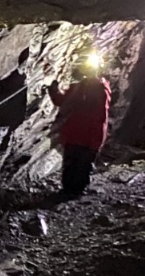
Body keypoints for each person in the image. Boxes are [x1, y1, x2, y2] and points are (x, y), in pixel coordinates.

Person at [47, 55, 111, 198]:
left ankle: (74, 192)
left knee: (81, 165)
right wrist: (53, 90)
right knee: (72, 164)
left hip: (87, 134)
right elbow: (63, 101)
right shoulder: (83, 87)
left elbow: (99, 114)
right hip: (79, 133)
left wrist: (54, 90)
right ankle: (69, 191)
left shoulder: (99, 88)